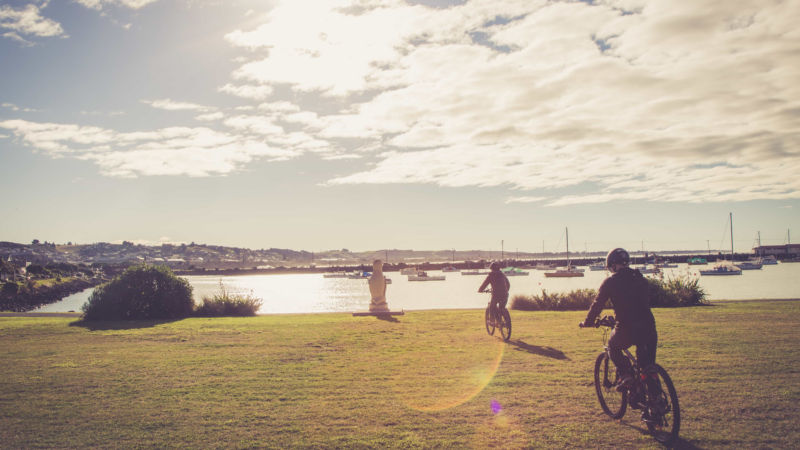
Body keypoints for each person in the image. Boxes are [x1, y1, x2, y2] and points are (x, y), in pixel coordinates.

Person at [580, 248, 657, 389]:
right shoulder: (640, 279)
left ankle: (625, 375)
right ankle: (656, 399)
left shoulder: (610, 282)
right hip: (649, 328)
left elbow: (597, 305)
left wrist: (588, 322)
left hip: (626, 329)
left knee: (612, 346)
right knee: (648, 367)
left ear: (613, 265)